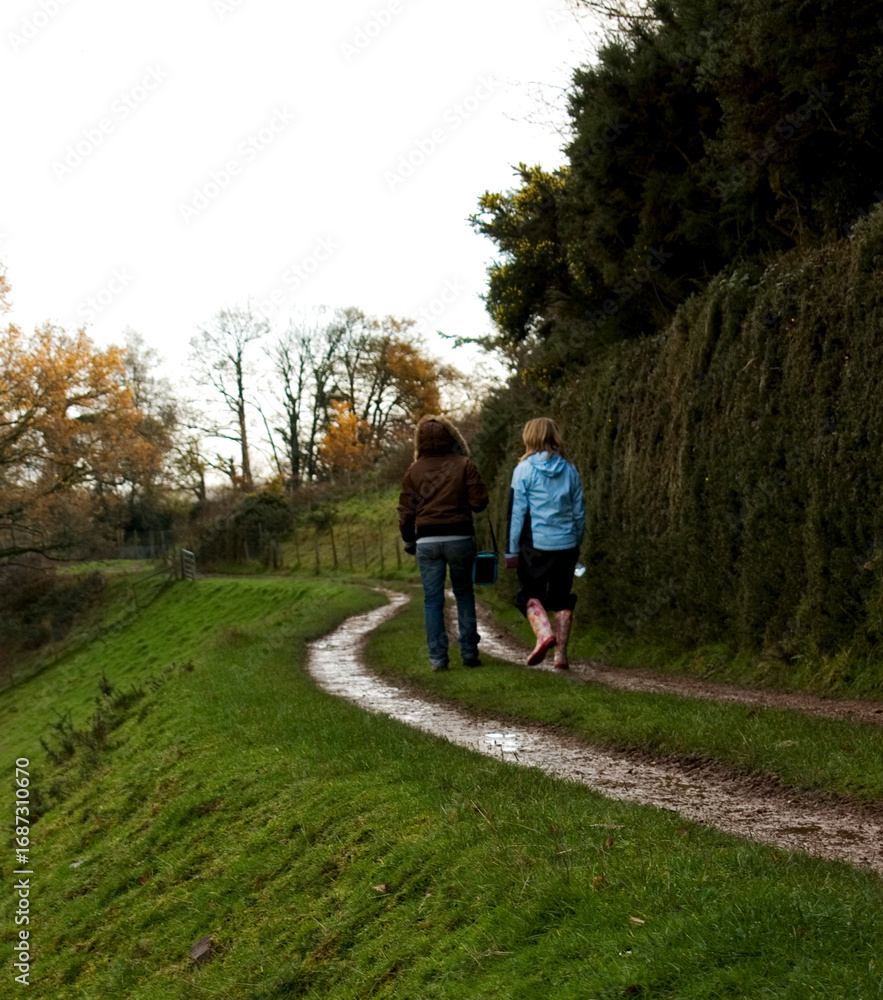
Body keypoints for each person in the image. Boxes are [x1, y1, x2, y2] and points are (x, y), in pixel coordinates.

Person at [398, 415, 489, 671]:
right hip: (460, 537)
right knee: (463, 593)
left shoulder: (413, 470)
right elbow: (479, 503)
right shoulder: (464, 464)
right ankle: (469, 652)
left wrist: (409, 540)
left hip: (427, 540)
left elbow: (405, 512)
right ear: (451, 436)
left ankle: (438, 659)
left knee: (432, 600)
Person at [506, 417, 585, 669]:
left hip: (535, 546)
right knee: (562, 598)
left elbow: (516, 514)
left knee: (527, 595)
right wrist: (576, 541)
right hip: (567, 544)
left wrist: (511, 551)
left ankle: (543, 635)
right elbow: (579, 512)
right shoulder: (570, 470)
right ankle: (560, 656)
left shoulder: (523, 470)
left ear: (529, 437)